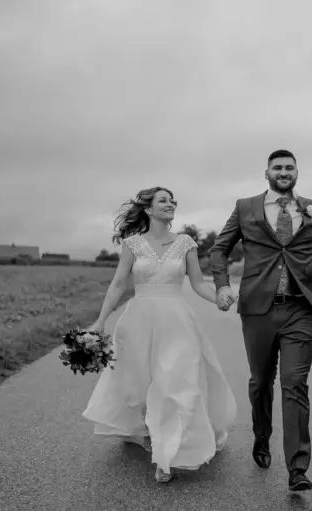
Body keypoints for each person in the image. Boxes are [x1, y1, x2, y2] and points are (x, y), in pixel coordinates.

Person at [209, 149, 312, 492]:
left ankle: (298, 469)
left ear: (297, 172)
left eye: (289, 167)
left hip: (301, 308)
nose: (284, 172)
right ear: (267, 173)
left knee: (294, 382)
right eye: (278, 168)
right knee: (260, 382)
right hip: (258, 307)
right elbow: (219, 249)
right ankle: (261, 437)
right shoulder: (246, 207)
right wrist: (222, 286)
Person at [81, 186, 237, 484]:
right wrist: (100, 321)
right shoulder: (133, 244)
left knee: (175, 385)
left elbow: (198, 284)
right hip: (138, 322)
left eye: (172, 200)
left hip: (177, 322)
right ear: (148, 209)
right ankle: (148, 431)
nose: (170, 204)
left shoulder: (186, 243)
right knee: (140, 385)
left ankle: (167, 456)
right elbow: (117, 285)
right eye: (163, 200)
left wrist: (218, 297)